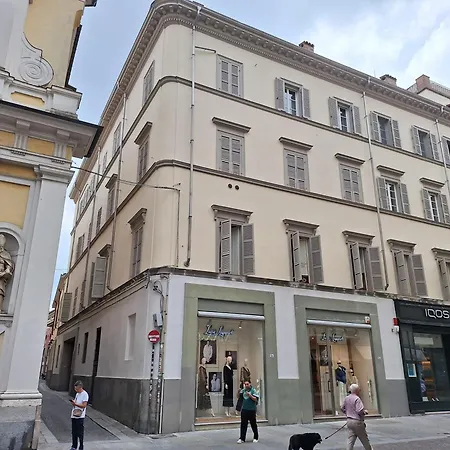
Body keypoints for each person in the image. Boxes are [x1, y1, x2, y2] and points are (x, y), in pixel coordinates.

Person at [341, 384, 372, 450]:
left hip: (349, 421)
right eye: (359, 389)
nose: (360, 391)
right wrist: (364, 412)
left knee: (350, 440)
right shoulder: (357, 399)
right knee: (364, 439)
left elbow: (342, 408)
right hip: (357, 422)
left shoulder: (346, 398)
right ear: (357, 390)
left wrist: (348, 413)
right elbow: (359, 410)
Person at [70, 380, 89, 450]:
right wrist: (74, 402)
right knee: (74, 432)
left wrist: (76, 404)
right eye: (75, 389)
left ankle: (81, 446)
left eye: (77, 389)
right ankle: (74, 446)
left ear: (80, 387)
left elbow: (84, 405)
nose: (76, 390)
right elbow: (76, 402)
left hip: (80, 416)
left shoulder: (85, 394)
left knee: (80, 432)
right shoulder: (77, 394)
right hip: (74, 414)